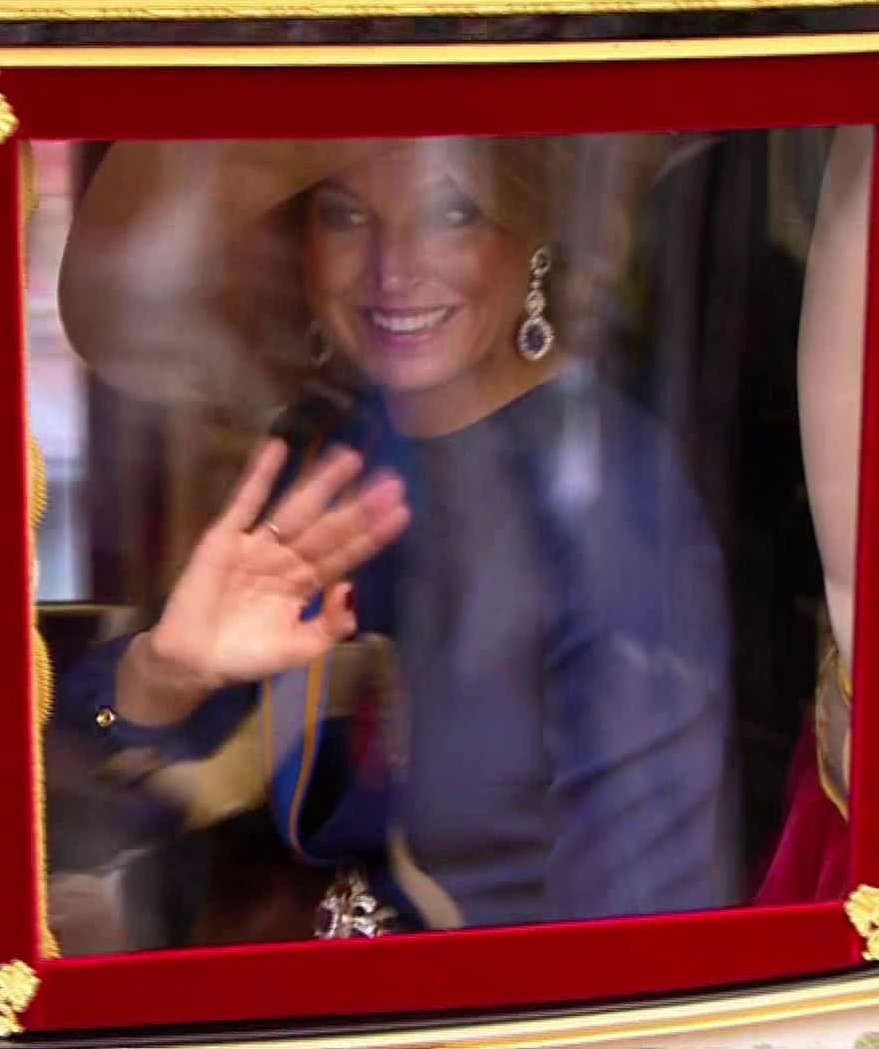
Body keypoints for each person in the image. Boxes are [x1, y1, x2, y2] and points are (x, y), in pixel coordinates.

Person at [49, 137, 742, 946]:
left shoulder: (608, 505)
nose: (392, 269)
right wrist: (158, 678)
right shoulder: (327, 454)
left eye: (451, 213)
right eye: (345, 217)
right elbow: (75, 798)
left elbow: (640, 935)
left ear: (534, 238)